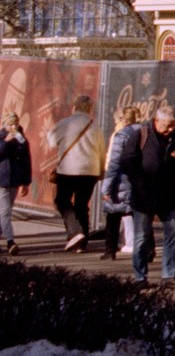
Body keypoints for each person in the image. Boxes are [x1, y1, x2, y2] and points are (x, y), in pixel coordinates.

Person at [120, 103, 175, 284]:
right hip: (144, 196)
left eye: (174, 124)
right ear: (156, 121)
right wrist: (140, 184)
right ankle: (140, 276)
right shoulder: (140, 135)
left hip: (169, 196)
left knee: (173, 233)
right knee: (141, 237)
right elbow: (127, 161)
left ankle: (169, 274)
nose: (171, 129)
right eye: (167, 125)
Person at [46, 96, 102, 253]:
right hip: (90, 170)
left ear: (74, 107)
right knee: (82, 205)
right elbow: (101, 150)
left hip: (69, 169)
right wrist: (101, 171)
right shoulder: (95, 126)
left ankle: (76, 232)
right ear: (90, 109)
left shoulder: (66, 123)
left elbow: (51, 141)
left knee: (62, 200)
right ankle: (81, 243)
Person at [98, 105, 146, 260]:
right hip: (141, 180)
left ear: (124, 119)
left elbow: (114, 162)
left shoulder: (122, 134)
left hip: (121, 180)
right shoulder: (147, 133)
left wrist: (106, 187)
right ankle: (148, 249)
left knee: (113, 214)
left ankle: (110, 250)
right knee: (141, 215)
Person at [0, 112, 27, 255]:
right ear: (5, 125)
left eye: (15, 123)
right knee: (5, 212)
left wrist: (26, 182)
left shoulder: (21, 138)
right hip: (2, 180)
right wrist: (6, 142)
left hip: (14, 180)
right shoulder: (1, 137)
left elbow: (26, 161)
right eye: (10, 124)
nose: (13, 126)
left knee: (5, 211)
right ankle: (10, 241)